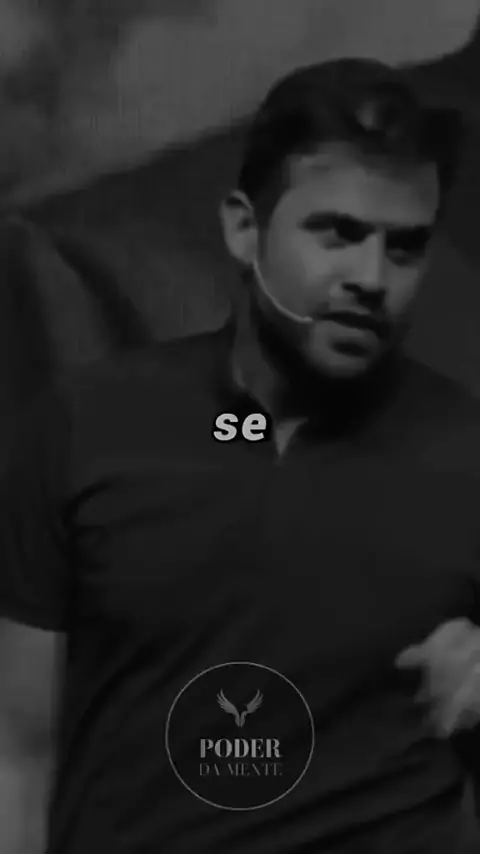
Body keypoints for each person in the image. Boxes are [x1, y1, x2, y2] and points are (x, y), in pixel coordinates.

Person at [0, 57, 479, 854]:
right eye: (339, 236)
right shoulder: (102, 304)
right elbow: (26, 748)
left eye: (400, 249)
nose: (369, 276)